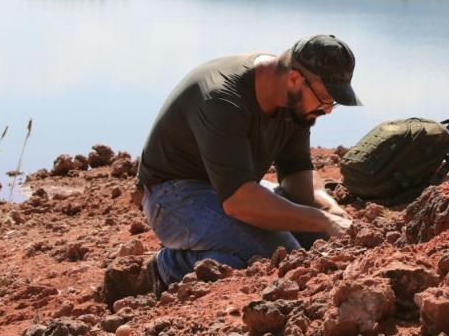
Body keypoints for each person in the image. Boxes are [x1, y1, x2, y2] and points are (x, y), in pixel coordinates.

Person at [137, 35, 360, 294]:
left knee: (316, 240)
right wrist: (322, 220)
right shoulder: (223, 99)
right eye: (326, 98)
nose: (328, 110)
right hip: (172, 195)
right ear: (295, 79)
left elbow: (296, 171)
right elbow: (239, 202)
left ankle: (212, 257)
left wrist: (330, 210)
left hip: (233, 188)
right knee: (283, 253)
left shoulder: (293, 102)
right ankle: (165, 268)